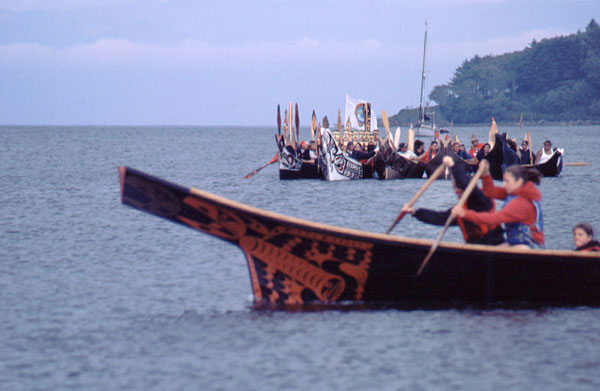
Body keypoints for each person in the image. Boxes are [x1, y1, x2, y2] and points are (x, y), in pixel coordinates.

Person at [401, 158, 504, 245]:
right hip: (475, 249)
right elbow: (439, 218)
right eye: (454, 187)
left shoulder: (481, 199)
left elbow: (465, 183)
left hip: (494, 244)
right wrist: (414, 212)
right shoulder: (459, 210)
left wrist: (452, 165)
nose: (457, 190)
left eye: (459, 187)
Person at [452, 164, 544, 249]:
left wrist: (464, 214)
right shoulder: (514, 193)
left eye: (507, 181)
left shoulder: (521, 204)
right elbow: (490, 192)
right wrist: (486, 174)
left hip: (530, 247)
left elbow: (493, 219)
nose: (504, 184)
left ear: (519, 182)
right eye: (504, 181)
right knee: (492, 251)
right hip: (515, 243)